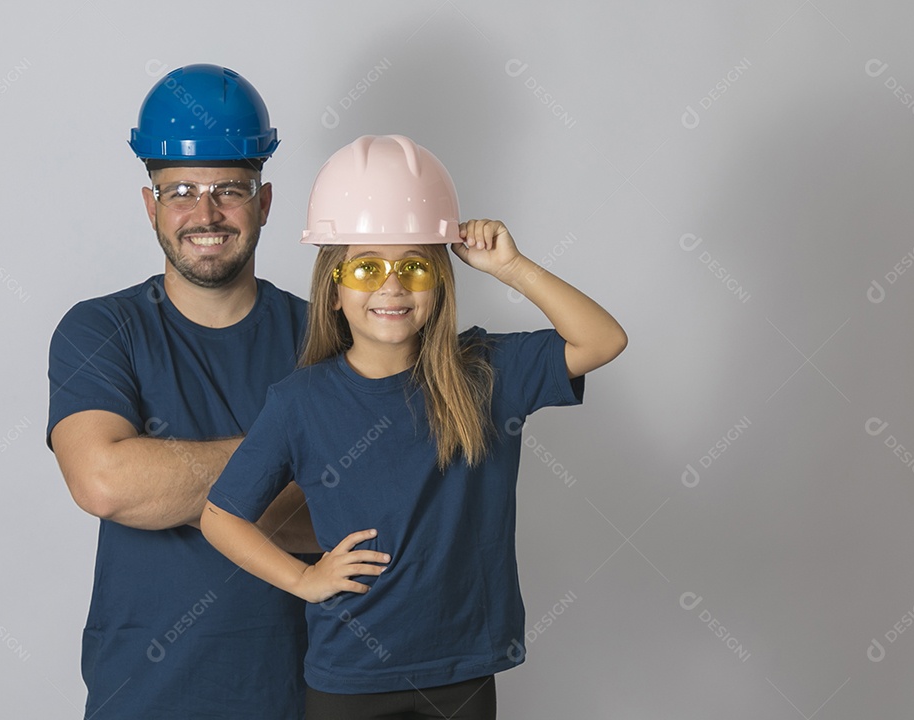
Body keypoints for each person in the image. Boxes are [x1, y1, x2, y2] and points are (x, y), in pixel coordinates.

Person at [200, 135, 628, 719]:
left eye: (414, 267)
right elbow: (221, 516)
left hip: (462, 671)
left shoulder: (485, 372)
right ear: (333, 291)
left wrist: (511, 267)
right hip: (348, 678)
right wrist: (306, 580)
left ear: (440, 284)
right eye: (368, 267)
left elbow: (603, 340)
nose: (392, 286)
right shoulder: (299, 401)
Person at [47, 64, 318, 719]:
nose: (205, 214)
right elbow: (105, 482)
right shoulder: (101, 329)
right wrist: (290, 465)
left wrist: (170, 483)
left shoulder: (325, 336)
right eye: (181, 191)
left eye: (230, 189)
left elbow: (359, 509)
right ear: (152, 206)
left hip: (302, 697)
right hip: (143, 699)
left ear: (265, 202)